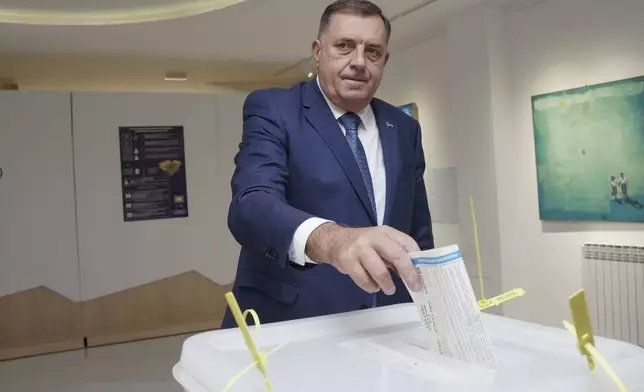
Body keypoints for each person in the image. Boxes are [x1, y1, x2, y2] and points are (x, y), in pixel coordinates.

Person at [221, 0, 434, 328]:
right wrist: (335, 240)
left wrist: (434, 311)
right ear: (318, 51)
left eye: (373, 51)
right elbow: (252, 206)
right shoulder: (274, 110)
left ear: (385, 59)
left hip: (388, 327)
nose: (359, 62)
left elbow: (417, 232)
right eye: (345, 46)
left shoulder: (403, 128)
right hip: (291, 326)